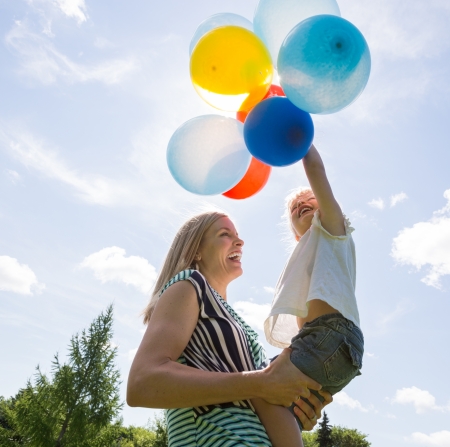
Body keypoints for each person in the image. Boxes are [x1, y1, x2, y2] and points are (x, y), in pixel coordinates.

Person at [127, 210, 332, 446]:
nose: (240, 241)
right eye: (225, 234)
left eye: (238, 234)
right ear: (196, 250)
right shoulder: (190, 283)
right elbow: (143, 382)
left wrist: (294, 405)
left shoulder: (236, 321)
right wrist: (261, 383)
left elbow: (256, 395)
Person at [254, 144, 364, 446]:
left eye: (309, 200)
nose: (301, 204)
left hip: (331, 336)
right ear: (293, 231)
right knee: (277, 413)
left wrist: (300, 139)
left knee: (259, 387)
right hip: (325, 345)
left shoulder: (332, 229)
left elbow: (316, 170)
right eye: (294, 208)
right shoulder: (304, 257)